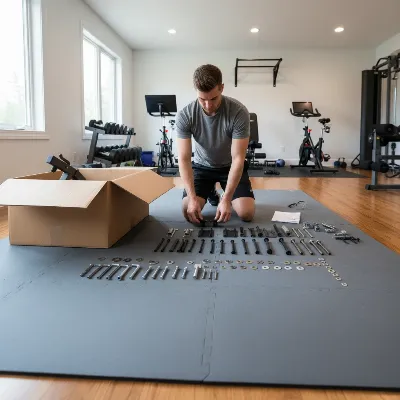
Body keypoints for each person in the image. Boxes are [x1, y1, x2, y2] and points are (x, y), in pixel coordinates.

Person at [176, 64, 255, 224]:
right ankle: (209, 190)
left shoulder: (239, 112)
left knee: (246, 214)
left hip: (229, 167)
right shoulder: (185, 115)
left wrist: (226, 199)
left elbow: (238, 159)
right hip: (202, 167)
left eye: (213, 98)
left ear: (222, 88)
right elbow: (184, 159)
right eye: (202, 99)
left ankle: (222, 193)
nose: (208, 105)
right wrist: (191, 198)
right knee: (188, 211)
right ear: (195, 91)